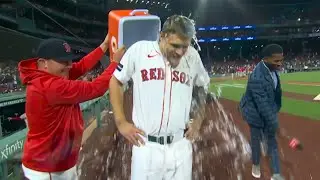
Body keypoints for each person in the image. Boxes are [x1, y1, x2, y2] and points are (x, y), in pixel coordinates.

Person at [109, 15, 210, 180]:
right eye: (175, 45)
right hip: (146, 146)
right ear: (162, 36)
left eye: (185, 46)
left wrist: (198, 120)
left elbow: (201, 86)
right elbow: (116, 81)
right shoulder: (139, 50)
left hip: (181, 145)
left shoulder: (192, 56)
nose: (180, 52)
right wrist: (121, 122)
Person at [18, 35, 125, 179]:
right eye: (63, 61)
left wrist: (104, 46)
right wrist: (115, 63)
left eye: (69, 60)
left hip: (58, 163)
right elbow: (95, 88)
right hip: (46, 169)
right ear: (43, 63)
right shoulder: (48, 86)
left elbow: (80, 66)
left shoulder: (50, 75)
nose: (69, 65)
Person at [239, 44, 284, 180]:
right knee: (256, 141)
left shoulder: (273, 70)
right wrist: (276, 124)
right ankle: (256, 164)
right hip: (254, 114)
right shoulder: (256, 77)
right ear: (265, 59)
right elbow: (262, 104)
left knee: (272, 142)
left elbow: (275, 95)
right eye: (276, 61)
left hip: (267, 109)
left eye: (281, 60)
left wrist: (275, 111)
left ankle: (276, 174)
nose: (280, 64)